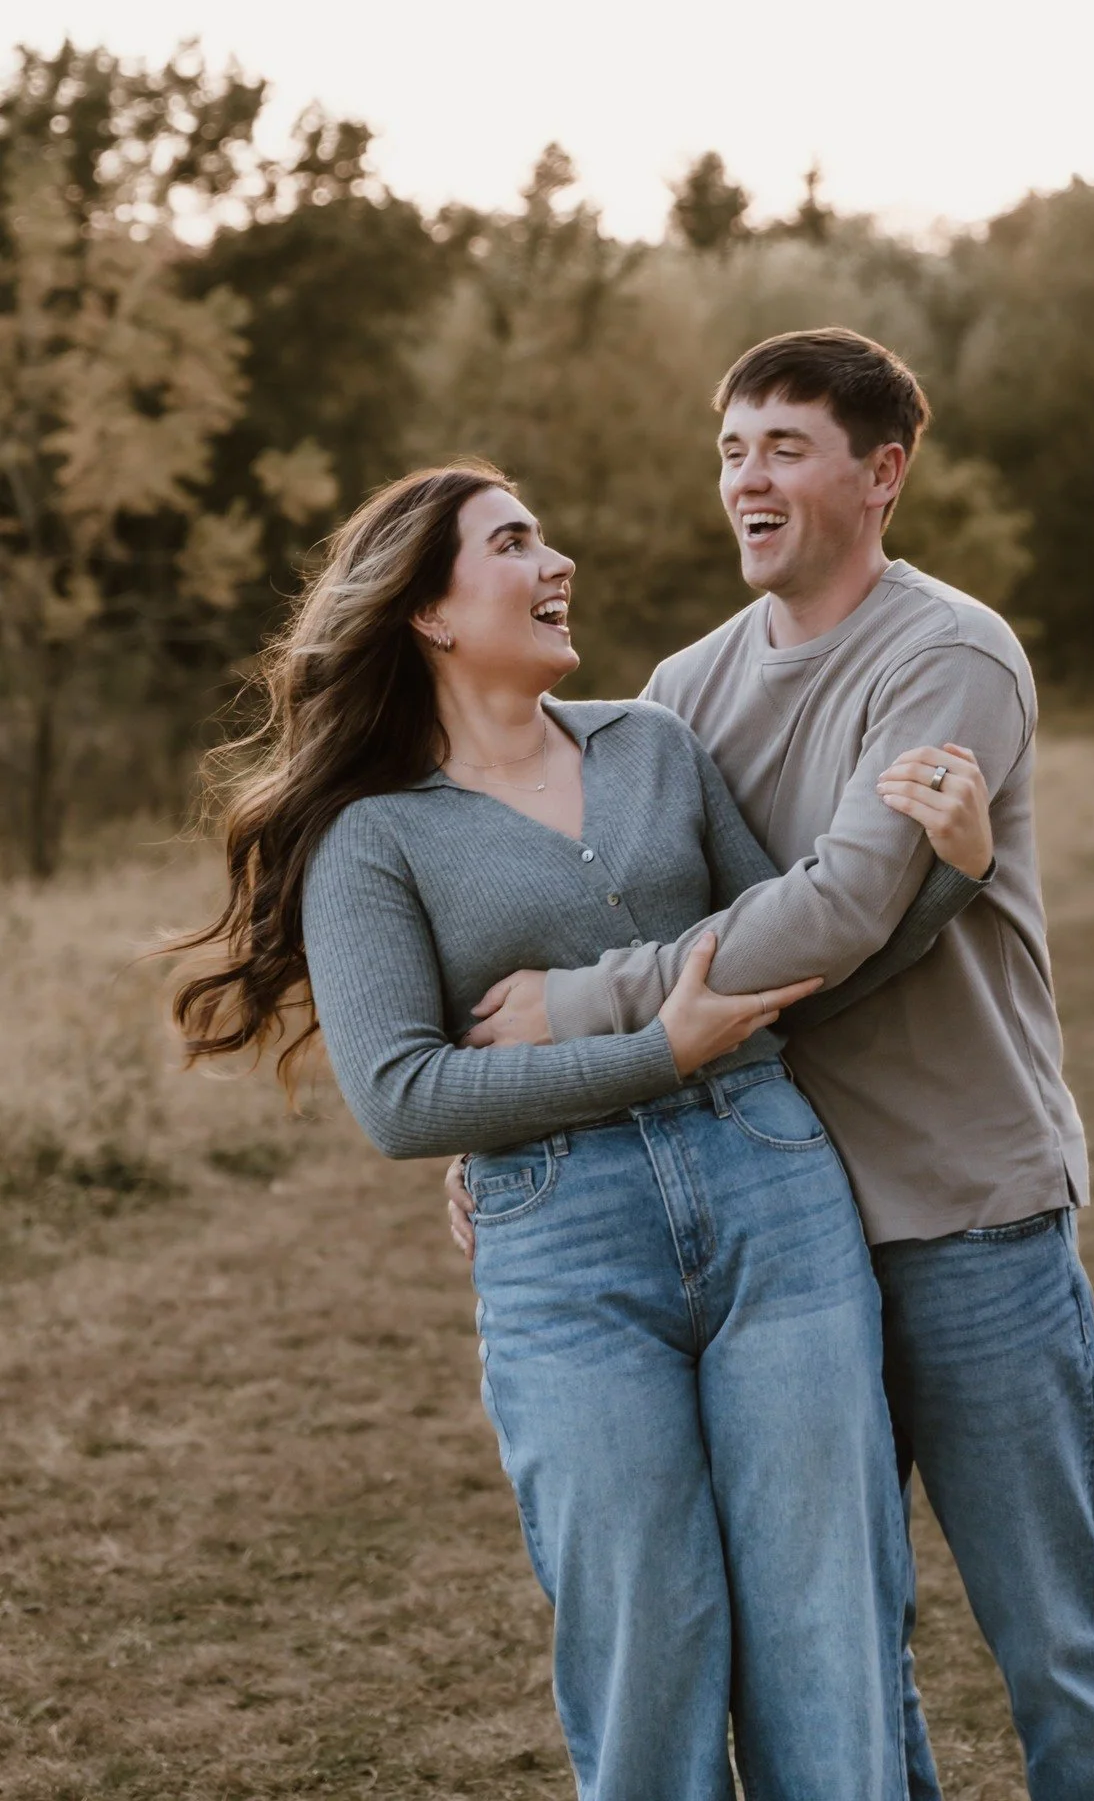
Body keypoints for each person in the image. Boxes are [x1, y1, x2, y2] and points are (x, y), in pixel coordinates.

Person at [169, 458, 996, 1801]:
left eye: (545, 536)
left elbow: (799, 956)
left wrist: (949, 882)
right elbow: (402, 1099)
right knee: (648, 1642)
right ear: (430, 612)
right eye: (515, 542)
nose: (556, 563)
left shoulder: (654, 744)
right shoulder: (373, 840)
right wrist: (652, 1050)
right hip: (563, 1250)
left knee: (824, 1620)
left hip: (774, 1187)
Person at [449, 329, 1094, 1801]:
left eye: (784, 446)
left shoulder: (948, 655)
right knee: (836, 1652)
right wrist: (501, 1117)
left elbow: (839, 915)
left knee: (1055, 1647)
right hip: (783, 1244)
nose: (746, 479)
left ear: (881, 472)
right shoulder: (681, 691)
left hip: (969, 1214)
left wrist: (567, 1013)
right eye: (730, 449)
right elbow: (668, 928)